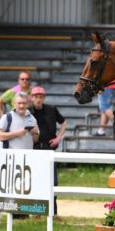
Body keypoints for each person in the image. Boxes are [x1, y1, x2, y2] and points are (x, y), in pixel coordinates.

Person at [0, 92, 39, 219]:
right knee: (13, 187)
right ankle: (13, 215)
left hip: (28, 159)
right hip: (11, 158)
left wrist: (35, 132)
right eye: (19, 103)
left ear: (28, 104)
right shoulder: (7, 117)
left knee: (25, 187)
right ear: (14, 104)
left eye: (24, 103)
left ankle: (24, 214)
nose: (21, 105)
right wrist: (16, 133)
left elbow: (36, 139)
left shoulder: (32, 118)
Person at [29, 86, 67, 216]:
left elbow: (63, 122)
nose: (38, 99)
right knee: (35, 180)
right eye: (36, 97)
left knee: (53, 181)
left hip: (49, 148)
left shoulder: (51, 109)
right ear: (31, 98)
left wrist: (58, 137)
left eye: (41, 97)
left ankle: (53, 212)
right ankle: (36, 211)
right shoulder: (27, 111)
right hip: (33, 149)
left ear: (44, 98)